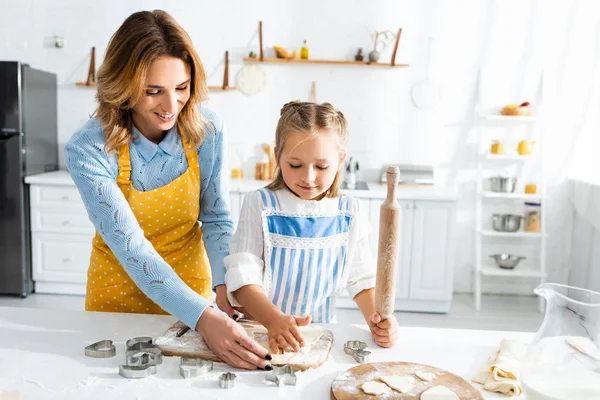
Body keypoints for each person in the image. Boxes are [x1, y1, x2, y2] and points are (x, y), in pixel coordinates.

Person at [65, 9, 272, 370]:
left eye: (182, 88)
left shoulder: (207, 128)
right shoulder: (89, 148)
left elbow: (217, 216)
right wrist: (204, 316)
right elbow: (132, 249)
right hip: (119, 294)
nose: (171, 106)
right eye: (153, 91)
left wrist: (224, 288)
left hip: (194, 289)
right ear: (123, 86)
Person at [224, 101, 399, 354]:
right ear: (277, 156)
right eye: (295, 165)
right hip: (260, 333)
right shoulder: (260, 204)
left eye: (321, 166)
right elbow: (243, 277)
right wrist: (273, 319)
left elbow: (360, 278)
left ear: (340, 160)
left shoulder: (349, 212)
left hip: (319, 339)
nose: (308, 177)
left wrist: (379, 321)